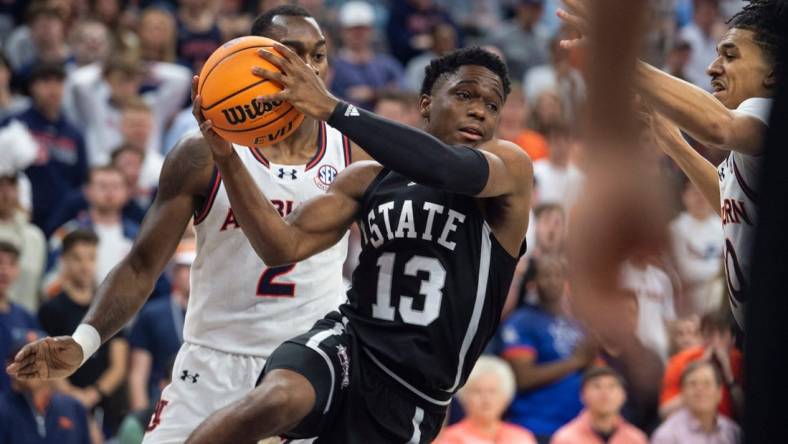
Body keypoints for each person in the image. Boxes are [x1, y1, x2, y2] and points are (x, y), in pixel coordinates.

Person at [7, 6, 370, 443]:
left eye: (319, 55)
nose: (309, 68)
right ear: (255, 62)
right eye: (293, 54)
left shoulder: (353, 151)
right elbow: (142, 264)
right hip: (214, 364)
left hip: (308, 367)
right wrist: (84, 342)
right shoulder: (200, 153)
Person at [181, 41, 532, 442]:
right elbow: (281, 247)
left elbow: (444, 168)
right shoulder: (368, 178)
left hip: (415, 391)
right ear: (425, 105)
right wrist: (226, 158)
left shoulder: (509, 170)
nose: (479, 110)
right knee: (275, 400)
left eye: (492, 105)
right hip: (349, 343)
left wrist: (333, 108)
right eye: (465, 94)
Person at [558, 0, 785, 328]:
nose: (712, 67)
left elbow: (717, 126)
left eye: (731, 55)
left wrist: (620, 60)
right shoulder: (750, 148)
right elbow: (731, 204)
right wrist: (674, 144)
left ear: (775, 73)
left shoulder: (768, 110)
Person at [37, 229, 128, 435]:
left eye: (91, 258)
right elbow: (44, 362)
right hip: (61, 405)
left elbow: (119, 365)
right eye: (77, 259)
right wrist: (73, 396)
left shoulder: (109, 308)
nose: (85, 266)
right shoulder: (51, 309)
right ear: (64, 261)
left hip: (105, 406)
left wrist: (93, 394)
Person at [501, 255, 595, 443]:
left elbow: (590, 370)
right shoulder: (521, 322)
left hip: (577, 429)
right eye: (546, 275)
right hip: (535, 427)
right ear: (533, 282)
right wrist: (575, 362)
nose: (553, 281)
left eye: (559, 275)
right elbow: (523, 378)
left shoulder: (577, 324)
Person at [64, 51, 191, 166]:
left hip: (146, 180)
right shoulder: (96, 106)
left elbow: (182, 77)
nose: (126, 87)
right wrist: (106, 67)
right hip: (105, 177)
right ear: (108, 80)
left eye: (131, 80)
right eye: (120, 80)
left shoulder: (151, 106)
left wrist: (144, 68)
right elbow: (77, 81)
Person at [3, 62, 88, 229]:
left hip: (62, 215)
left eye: (58, 82)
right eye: (46, 81)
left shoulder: (74, 134)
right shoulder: (15, 123)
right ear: (33, 87)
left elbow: (81, 179)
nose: (53, 89)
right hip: (22, 211)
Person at [0, 329, 91, 444]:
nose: (33, 364)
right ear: (9, 365)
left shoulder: (73, 407)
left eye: (41, 358)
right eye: (24, 358)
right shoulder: (3, 409)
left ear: (54, 364)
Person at [49, 167, 138, 283]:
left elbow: (156, 283)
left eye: (116, 186)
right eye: (102, 186)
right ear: (87, 191)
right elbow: (49, 281)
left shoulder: (138, 236)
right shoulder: (67, 233)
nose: (110, 192)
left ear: (127, 192)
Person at [127, 247, 191, 411]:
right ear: (174, 272)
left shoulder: (215, 314)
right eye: (187, 267)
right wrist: (141, 419)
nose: (193, 272)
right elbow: (138, 375)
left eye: (196, 265)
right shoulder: (153, 313)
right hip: (161, 400)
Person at [659, 310, 743, 421]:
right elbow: (664, 412)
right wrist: (699, 369)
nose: (715, 342)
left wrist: (729, 376)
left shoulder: (740, 361)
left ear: (732, 340)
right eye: (709, 335)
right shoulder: (681, 360)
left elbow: (748, 415)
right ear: (701, 338)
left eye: (722, 335)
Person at [435, 356, 537, 444]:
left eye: (492, 391)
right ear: (464, 396)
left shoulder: (522, 437)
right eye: (477, 391)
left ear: (506, 396)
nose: (486, 398)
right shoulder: (448, 439)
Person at [329, 1, 405, 110]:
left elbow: (403, 92)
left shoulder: (387, 64)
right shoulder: (334, 66)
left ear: (372, 31)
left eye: (363, 30)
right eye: (353, 30)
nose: (359, 35)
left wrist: (373, 94)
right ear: (342, 31)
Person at [551, 367, 648, 444]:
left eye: (612, 386)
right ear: (582, 395)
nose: (605, 393)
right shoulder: (565, 438)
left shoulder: (636, 439)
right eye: (596, 386)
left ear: (624, 395)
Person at [651, 361, 741, 444]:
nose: (700, 390)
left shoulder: (732, 432)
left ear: (719, 392)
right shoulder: (667, 435)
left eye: (707, 384)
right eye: (692, 384)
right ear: (682, 392)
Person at [670, 180, 724, 315]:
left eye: (704, 191)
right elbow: (683, 270)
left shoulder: (724, 227)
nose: (700, 197)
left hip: (720, 302)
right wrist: (717, 274)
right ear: (684, 196)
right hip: (689, 301)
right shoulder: (676, 228)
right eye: (695, 192)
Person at [0, 174, 45, 313]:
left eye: (11, 186)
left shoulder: (35, 237)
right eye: (1, 186)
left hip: (24, 323)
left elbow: (39, 288)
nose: (6, 193)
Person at [0, 241, 40, 394]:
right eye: (0, 262)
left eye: (11, 264)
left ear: (17, 270)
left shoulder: (26, 317)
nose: (4, 270)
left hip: (16, 408)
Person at [486, 0, 551, 81]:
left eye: (536, 8)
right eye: (529, 7)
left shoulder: (546, 36)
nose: (532, 12)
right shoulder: (501, 34)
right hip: (510, 86)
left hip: (538, 88)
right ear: (519, 7)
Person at [679, 0, 727, 89]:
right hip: (690, 88)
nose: (709, 15)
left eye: (712, 11)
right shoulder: (686, 35)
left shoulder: (720, 34)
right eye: (705, 11)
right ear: (696, 13)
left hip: (715, 90)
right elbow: (686, 71)